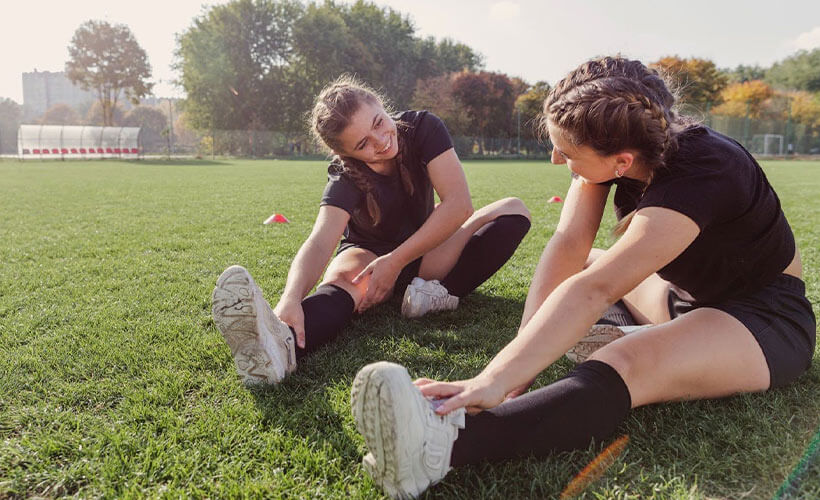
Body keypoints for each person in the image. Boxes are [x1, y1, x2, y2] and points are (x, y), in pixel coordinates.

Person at [348, 56, 816, 499]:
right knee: (591, 258)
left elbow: (598, 289)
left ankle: (442, 448)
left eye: (566, 151)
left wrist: (489, 382)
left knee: (628, 358)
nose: (555, 158)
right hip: (684, 297)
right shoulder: (617, 147)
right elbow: (569, 247)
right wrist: (516, 367)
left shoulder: (709, 168)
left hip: (764, 317)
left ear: (622, 163)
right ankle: (642, 335)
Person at [211, 75, 531, 385]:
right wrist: (291, 298)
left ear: (381, 104)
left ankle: (437, 295)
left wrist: (396, 261)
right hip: (369, 259)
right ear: (346, 154)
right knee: (344, 281)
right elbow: (322, 240)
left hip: (422, 252)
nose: (380, 142)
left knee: (513, 209)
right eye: (363, 144)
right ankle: (280, 346)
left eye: (378, 122)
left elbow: (459, 204)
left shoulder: (423, 128)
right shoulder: (344, 174)